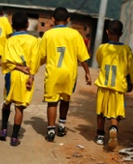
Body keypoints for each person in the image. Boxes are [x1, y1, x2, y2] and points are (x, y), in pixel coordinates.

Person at [37, 7, 92, 142]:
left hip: (53, 73)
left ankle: (50, 130)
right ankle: (61, 125)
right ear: (68, 20)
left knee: (52, 101)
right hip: (69, 74)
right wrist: (87, 72)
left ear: (53, 20)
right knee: (65, 99)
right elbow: (82, 57)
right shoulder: (75, 34)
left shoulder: (48, 35)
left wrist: (32, 70)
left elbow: (41, 56)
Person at [94, 20, 133, 150]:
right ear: (121, 33)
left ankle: (100, 135)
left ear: (107, 32)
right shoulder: (126, 50)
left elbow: (99, 60)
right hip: (118, 86)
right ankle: (113, 127)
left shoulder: (102, 48)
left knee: (101, 111)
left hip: (103, 85)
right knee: (115, 112)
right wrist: (132, 81)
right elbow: (131, 68)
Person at [0, 12, 40, 146]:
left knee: (7, 101)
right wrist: (31, 75)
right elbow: (35, 60)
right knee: (19, 107)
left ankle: (3, 129)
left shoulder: (10, 41)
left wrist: (18, 67)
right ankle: (14, 137)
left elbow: (5, 61)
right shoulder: (33, 41)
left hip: (12, 74)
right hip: (26, 75)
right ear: (27, 25)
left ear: (12, 25)